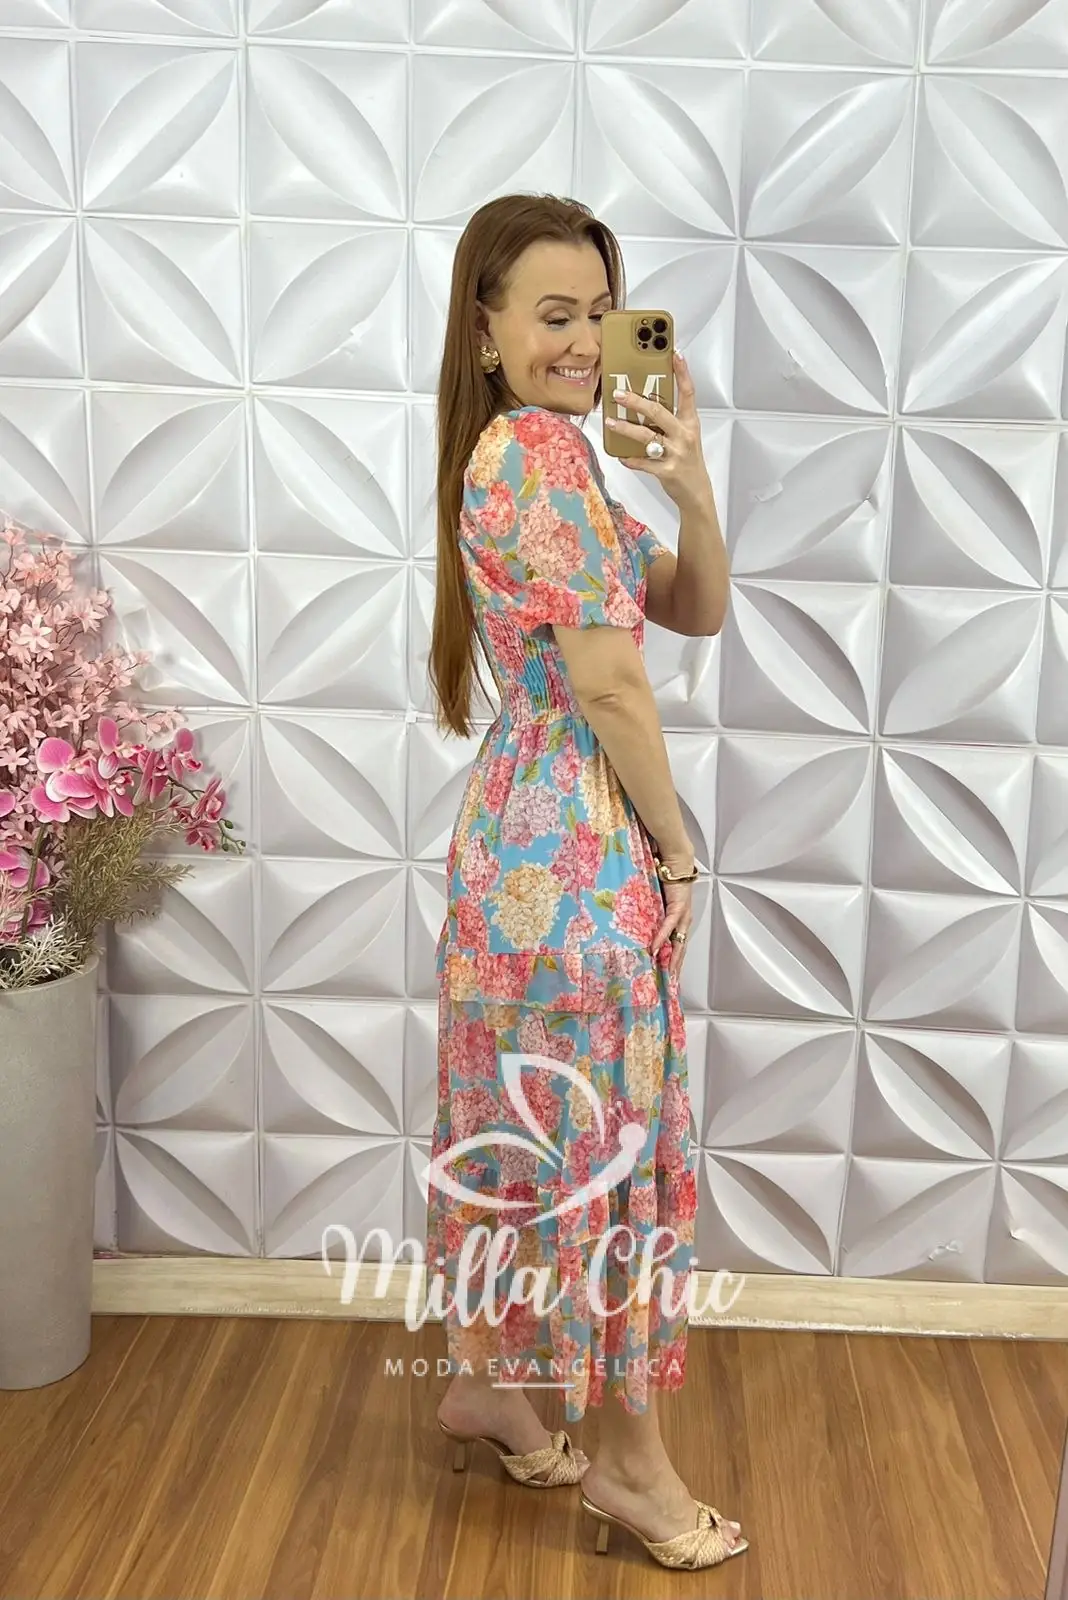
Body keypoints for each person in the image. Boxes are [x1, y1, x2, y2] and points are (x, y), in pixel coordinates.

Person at [425, 193, 744, 1571]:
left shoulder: (540, 460)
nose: (581, 341)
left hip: (515, 840)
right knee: (607, 1145)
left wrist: (688, 475)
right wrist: (676, 849)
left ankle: (488, 1386)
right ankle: (631, 1465)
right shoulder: (541, 459)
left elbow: (694, 607)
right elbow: (613, 684)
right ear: (486, 333)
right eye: (552, 314)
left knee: (519, 1127)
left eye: (601, 316)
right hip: (578, 846)